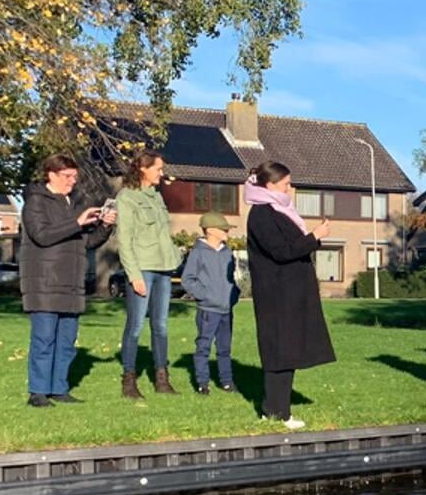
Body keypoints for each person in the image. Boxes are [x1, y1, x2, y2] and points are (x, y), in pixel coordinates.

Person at [243, 161, 335, 429]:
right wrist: (314, 237)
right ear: (270, 185)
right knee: (279, 351)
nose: (290, 188)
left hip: (288, 292)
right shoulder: (262, 214)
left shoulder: (276, 210)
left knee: (287, 349)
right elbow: (281, 251)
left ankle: (277, 409)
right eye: (286, 184)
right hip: (277, 293)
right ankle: (276, 411)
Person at [19, 154, 115, 407]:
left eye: (75, 176)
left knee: (66, 341)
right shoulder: (35, 202)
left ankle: (59, 388)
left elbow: (87, 242)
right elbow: (42, 235)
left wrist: (104, 226)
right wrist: (77, 222)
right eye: (67, 176)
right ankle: (38, 392)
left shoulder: (71, 203)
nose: (73, 181)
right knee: (44, 339)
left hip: (71, 282)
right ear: (51, 174)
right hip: (44, 282)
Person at [114, 151, 182, 398]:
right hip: (142, 268)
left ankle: (161, 377)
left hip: (163, 269)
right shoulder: (127, 198)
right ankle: (129, 379)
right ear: (143, 169)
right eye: (158, 169)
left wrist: (176, 257)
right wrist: (134, 275)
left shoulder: (157, 197)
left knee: (161, 326)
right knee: (135, 326)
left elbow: (163, 235)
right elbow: (125, 239)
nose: (162, 174)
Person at [179, 211, 239, 395]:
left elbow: (231, 278)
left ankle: (227, 382)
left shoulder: (227, 253)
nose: (227, 233)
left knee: (224, 348)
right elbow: (187, 279)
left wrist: (234, 293)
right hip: (208, 310)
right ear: (211, 230)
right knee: (203, 347)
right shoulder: (197, 253)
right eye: (224, 229)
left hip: (226, 309)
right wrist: (204, 295)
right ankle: (202, 383)